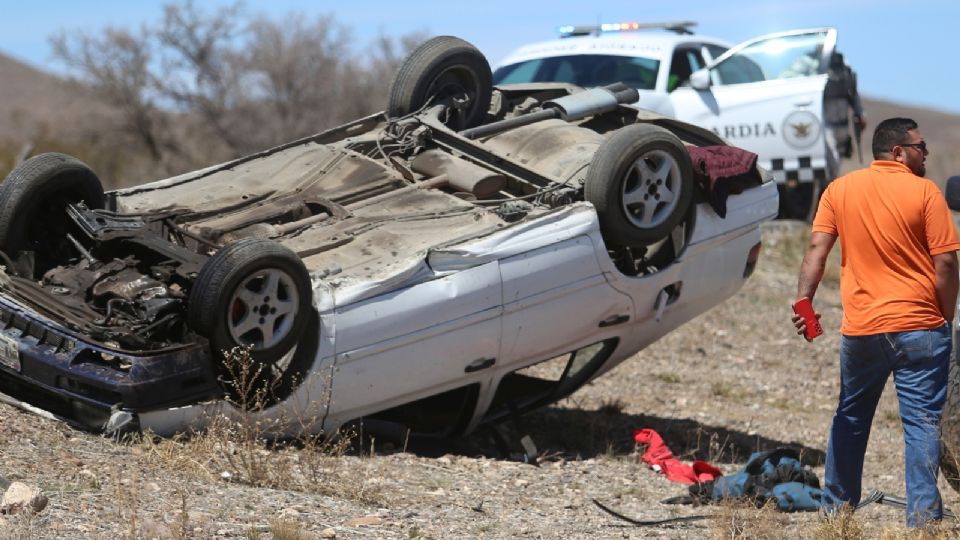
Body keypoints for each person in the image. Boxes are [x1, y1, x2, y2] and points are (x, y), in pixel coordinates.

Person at [792, 117, 960, 527]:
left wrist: (804, 305)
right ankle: (922, 523)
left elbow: (817, 249)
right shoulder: (925, 193)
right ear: (898, 151)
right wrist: (945, 315)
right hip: (921, 327)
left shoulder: (840, 189)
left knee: (850, 418)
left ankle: (837, 514)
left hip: (863, 329)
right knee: (921, 424)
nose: (927, 154)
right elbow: (947, 263)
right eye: (921, 147)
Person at [824, 52, 866, 167]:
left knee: (839, 157)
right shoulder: (821, 69)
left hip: (843, 126)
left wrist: (860, 113)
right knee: (832, 159)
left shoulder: (845, 71)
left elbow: (854, 96)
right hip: (827, 126)